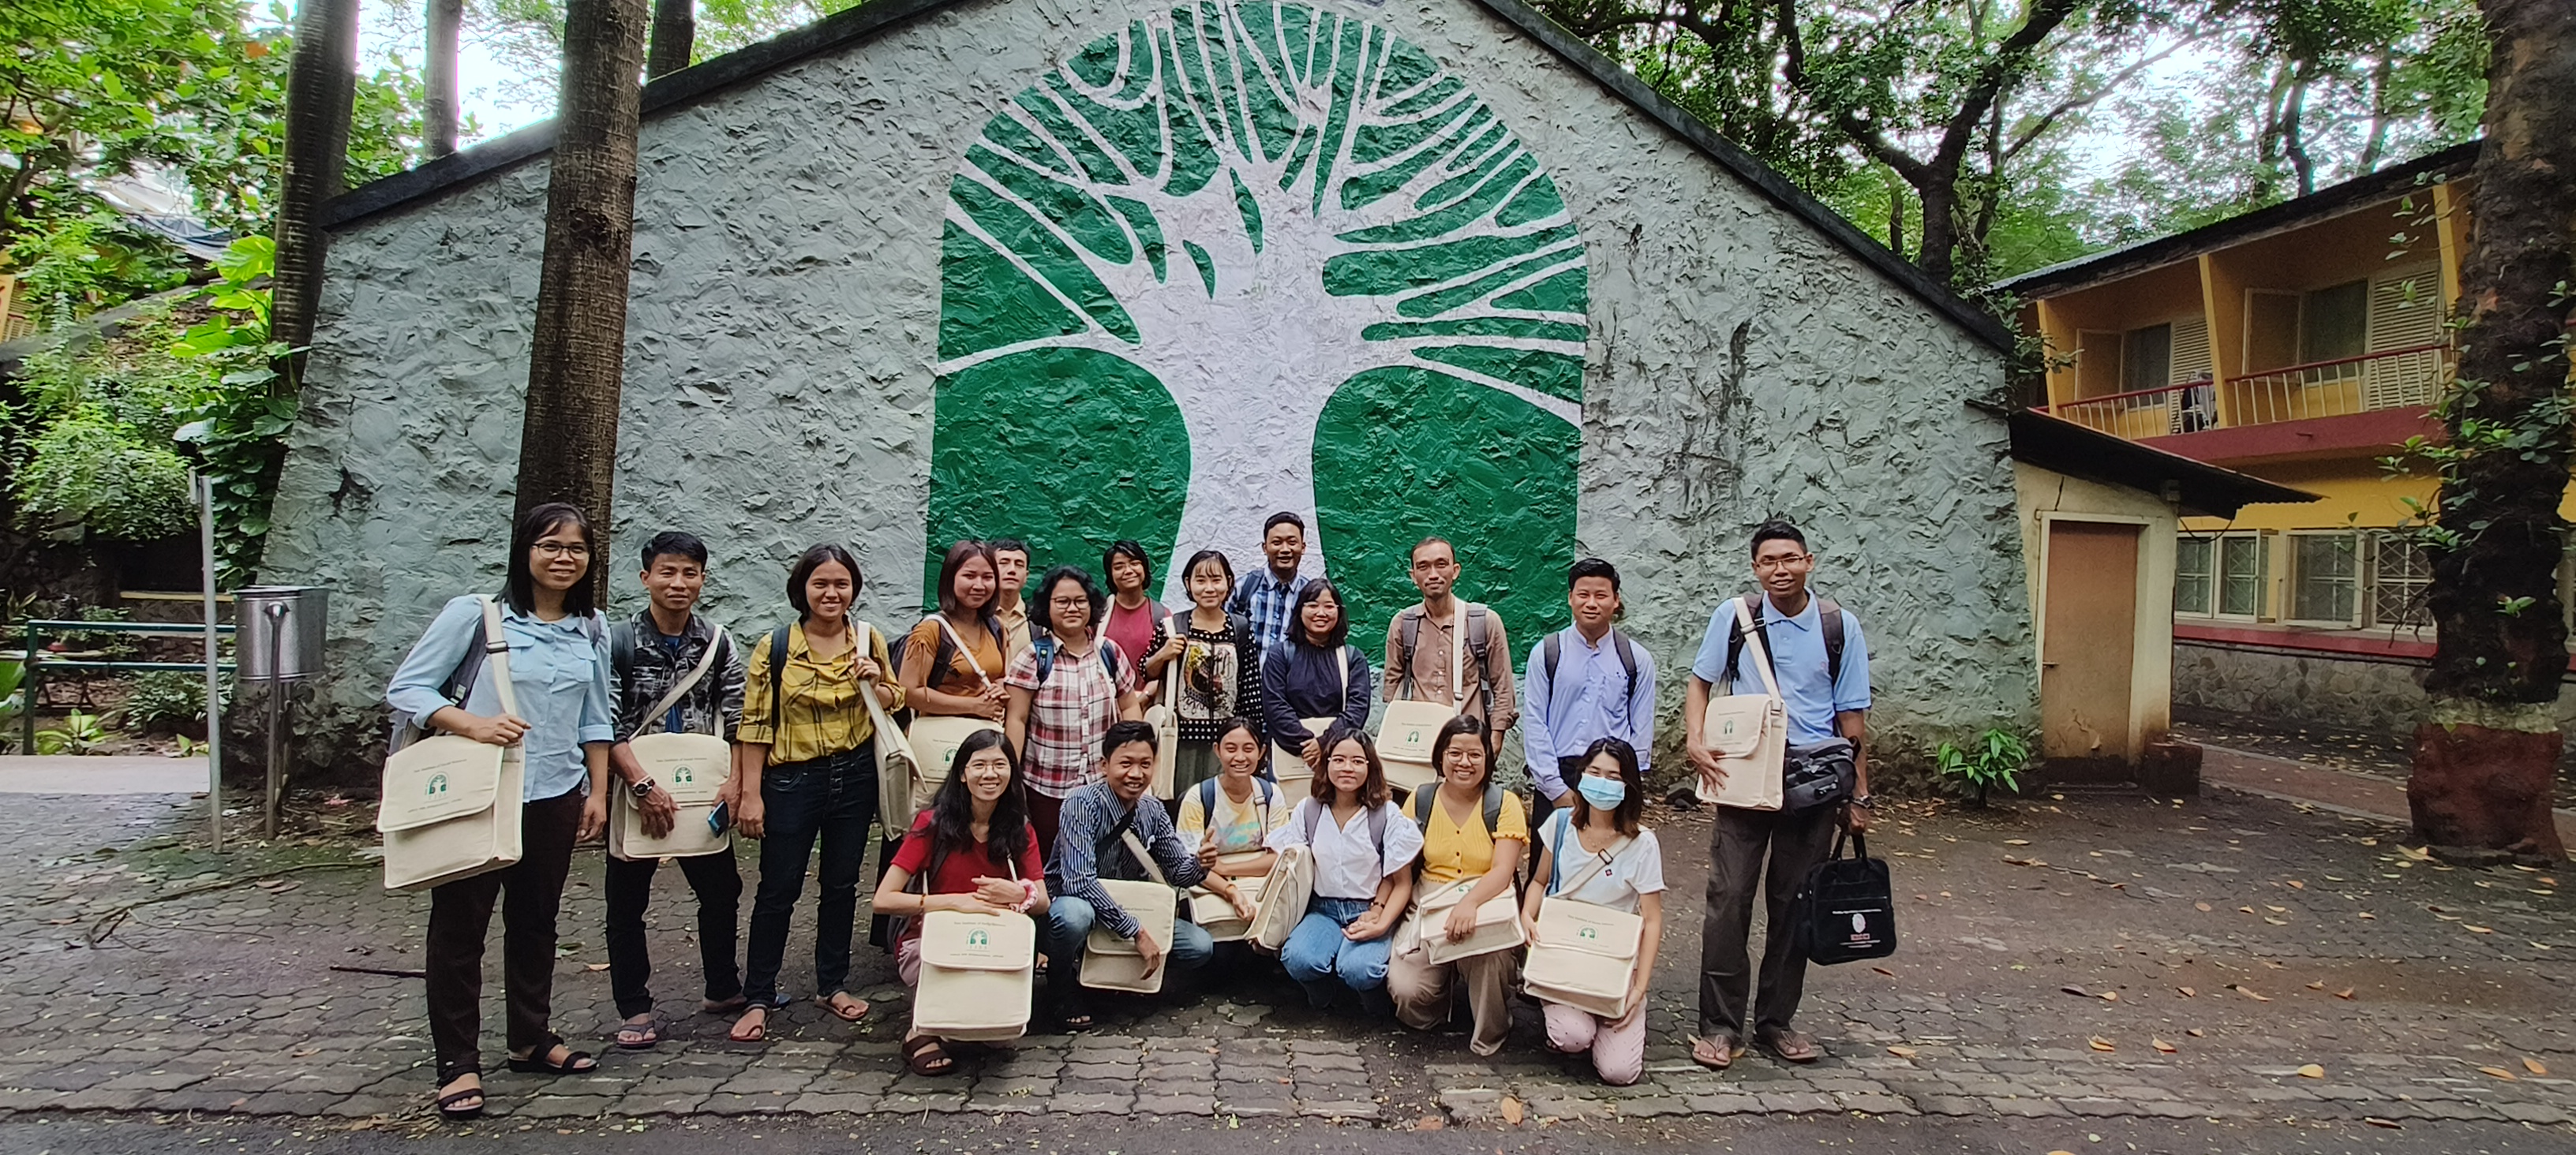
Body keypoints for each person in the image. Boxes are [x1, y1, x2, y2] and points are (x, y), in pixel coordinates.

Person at [384, 502, 614, 1119]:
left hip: (555, 793)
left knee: (537, 922)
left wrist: (597, 791)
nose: (564, 558)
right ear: (525, 551)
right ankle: (457, 1064)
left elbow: (596, 719)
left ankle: (530, 1039)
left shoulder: (591, 628)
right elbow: (408, 688)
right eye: (550, 545)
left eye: (576, 548)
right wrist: (472, 725)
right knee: (461, 929)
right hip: (480, 794)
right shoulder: (478, 615)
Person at [1683, 520, 1872, 1070]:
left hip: (1814, 783)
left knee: (1794, 907)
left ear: (1809, 561)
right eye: (1768, 561)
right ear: (1756, 568)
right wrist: (1695, 739)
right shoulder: (1736, 617)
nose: (1780, 569)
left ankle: (1775, 1022)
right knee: (1728, 902)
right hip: (1744, 776)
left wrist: (1859, 797)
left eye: (1790, 559)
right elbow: (1701, 680)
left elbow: (1853, 716)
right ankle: (1718, 1027)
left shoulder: (1840, 627)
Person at [725, 544, 905, 1044]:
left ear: (854, 590)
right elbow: (754, 724)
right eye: (821, 584)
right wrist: (752, 794)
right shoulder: (777, 645)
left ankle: (833, 984)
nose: (832, 593)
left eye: (841, 584)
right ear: (802, 588)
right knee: (777, 890)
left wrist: (879, 682)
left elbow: (895, 700)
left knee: (842, 885)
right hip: (792, 780)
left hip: (855, 778)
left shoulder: (869, 639)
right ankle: (759, 994)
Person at [602, 530, 747, 1051]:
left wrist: (736, 783)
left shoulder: (717, 641)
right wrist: (640, 784)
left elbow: (738, 716)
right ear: (646, 578)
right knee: (626, 901)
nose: (678, 583)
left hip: (702, 788)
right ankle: (635, 1006)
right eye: (667, 572)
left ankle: (723, 986)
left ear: (703, 579)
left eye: (690, 573)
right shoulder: (618, 642)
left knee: (721, 890)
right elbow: (605, 724)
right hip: (636, 784)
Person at [871, 729, 1047, 1075]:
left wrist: (1021, 894)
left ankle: (968, 1020)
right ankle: (920, 1029)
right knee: (944, 969)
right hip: (928, 942)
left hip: (992, 943)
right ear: (962, 774)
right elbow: (883, 900)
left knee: (1001, 1039)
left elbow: (1042, 902)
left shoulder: (1019, 827)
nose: (990, 774)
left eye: (1000, 764)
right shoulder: (932, 824)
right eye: (979, 765)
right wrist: (955, 903)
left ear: (1012, 772)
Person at [1043, 720, 1219, 1029]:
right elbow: (1078, 881)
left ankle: (1123, 978)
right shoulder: (1080, 804)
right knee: (1074, 915)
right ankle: (1060, 985)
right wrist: (1135, 930)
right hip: (1084, 907)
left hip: (1132, 907)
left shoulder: (1153, 809)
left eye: (1145, 764)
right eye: (1126, 763)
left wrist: (1201, 864)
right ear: (1104, 764)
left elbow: (1178, 871)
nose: (1136, 774)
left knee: (1199, 946)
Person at [1522, 738, 1665, 1086]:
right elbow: (1540, 881)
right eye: (1594, 772)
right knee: (1573, 1035)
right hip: (1564, 952)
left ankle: (1612, 1018)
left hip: (1613, 959)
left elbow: (1651, 919)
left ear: (1629, 785)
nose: (1602, 782)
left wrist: (1639, 987)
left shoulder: (1643, 844)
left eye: (1614, 777)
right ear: (1582, 775)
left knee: (1619, 1071)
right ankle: (1571, 1021)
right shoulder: (1560, 825)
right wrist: (1527, 915)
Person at [1386, 714, 1526, 1055]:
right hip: (1429, 899)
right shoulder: (1420, 800)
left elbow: (1503, 870)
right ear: (1441, 757)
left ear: (1487, 759)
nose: (1464, 763)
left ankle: (1490, 1032)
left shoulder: (1504, 804)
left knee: (1491, 956)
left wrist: (1470, 904)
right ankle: (1440, 996)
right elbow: (1400, 865)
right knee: (1407, 993)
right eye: (1455, 753)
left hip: (1484, 897)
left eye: (1475, 755)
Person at [1265, 723, 1422, 1012]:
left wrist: (1382, 922)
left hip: (1369, 908)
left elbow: (1402, 882)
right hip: (1321, 909)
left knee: (1360, 970)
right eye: (1338, 760)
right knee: (1299, 960)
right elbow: (1286, 863)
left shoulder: (1385, 814)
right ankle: (1325, 998)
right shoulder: (1308, 810)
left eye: (1357, 761)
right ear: (1326, 764)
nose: (1347, 768)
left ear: (1370, 766)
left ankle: (1371, 1003)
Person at [1005, 566, 1144, 858]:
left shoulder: (1108, 652)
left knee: (1100, 862)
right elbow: (1016, 719)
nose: (1072, 608)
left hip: (1103, 786)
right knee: (1049, 863)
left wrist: (1134, 760)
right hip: (1045, 789)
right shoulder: (1033, 657)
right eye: (1062, 602)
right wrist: (1012, 777)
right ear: (1048, 606)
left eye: (1080, 601)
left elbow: (1129, 704)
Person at [1520, 558, 1657, 829]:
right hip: (1559, 775)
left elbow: (1641, 728)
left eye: (1601, 595)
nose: (1591, 603)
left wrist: (1626, 786)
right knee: (1548, 867)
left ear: (1615, 600)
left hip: (1612, 779)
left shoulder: (1636, 659)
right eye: (1583, 595)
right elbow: (1535, 722)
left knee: (1608, 863)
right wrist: (1555, 788)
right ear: (1570, 598)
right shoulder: (1547, 653)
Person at [1140, 550, 1261, 794]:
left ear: (1229, 582)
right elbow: (1147, 670)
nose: (1209, 588)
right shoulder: (1172, 626)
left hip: (1228, 740)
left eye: (1216, 580)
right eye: (1200, 580)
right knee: (1180, 801)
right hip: (1180, 739)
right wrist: (1163, 653)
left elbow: (1250, 688)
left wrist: (1253, 737)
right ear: (1188, 583)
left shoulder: (1239, 627)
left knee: (1221, 804)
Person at [1382, 537, 1518, 735]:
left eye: (1441, 564)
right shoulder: (1403, 624)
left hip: (1469, 740)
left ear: (1455, 571)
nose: (1433, 575)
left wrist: (1496, 737)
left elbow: (1503, 687)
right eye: (1423, 567)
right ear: (1413, 576)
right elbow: (1393, 687)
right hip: (1420, 739)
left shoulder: (1484, 621)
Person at [1260, 579, 1372, 778]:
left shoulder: (1352, 657)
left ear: (1339, 611)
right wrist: (1308, 745)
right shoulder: (1280, 655)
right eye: (1313, 605)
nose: (1321, 613)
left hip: (1337, 757)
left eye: (1329, 606)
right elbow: (1275, 706)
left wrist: (1324, 744)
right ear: (1299, 610)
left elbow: (1357, 710)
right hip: (1290, 754)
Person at [899, 540, 1009, 726]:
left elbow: (1000, 676)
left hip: (984, 735)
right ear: (951, 578)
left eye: (988, 577)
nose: (979, 585)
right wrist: (974, 706)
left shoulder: (996, 627)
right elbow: (908, 692)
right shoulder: (931, 630)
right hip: (939, 739)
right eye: (970, 576)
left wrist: (999, 690)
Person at [1174, 716, 1288, 878]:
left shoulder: (1271, 794)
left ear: (1261, 752)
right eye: (1231, 749)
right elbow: (1187, 863)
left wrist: (1225, 869)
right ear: (1217, 750)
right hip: (1211, 882)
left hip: (1260, 882)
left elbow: (1280, 857)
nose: (1240, 757)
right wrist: (1230, 891)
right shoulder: (1198, 797)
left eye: (1248, 749)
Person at [1224, 511, 1311, 663]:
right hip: (1247, 684)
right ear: (1265, 548)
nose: (1285, 549)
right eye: (1277, 543)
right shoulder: (1243, 588)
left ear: (1303, 547)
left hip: (1292, 685)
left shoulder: (1310, 595)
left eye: (1292, 542)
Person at [1099, 540, 1168, 671]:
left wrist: (1145, 693)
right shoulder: (1098, 615)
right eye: (1119, 567)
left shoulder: (1162, 616)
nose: (1128, 571)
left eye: (1135, 563)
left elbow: (1165, 668)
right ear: (1110, 575)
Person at [989, 539, 1035, 661]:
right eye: (1004, 563)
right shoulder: (974, 618)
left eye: (1019, 565)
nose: (1012, 570)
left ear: (1026, 576)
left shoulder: (1037, 622)